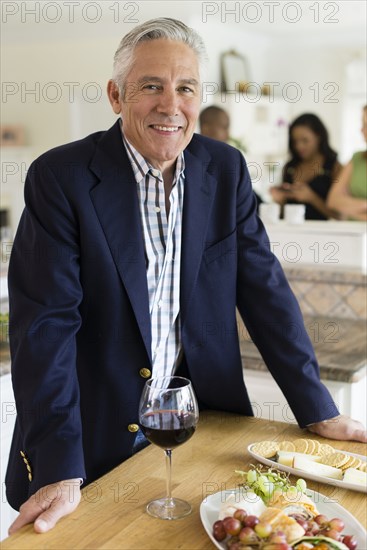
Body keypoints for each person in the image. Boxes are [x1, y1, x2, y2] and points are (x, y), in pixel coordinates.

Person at [6, 18, 366, 536]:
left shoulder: (225, 170)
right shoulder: (60, 178)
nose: (170, 105)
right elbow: (46, 327)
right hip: (89, 439)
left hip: (194, 425)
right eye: (150, 86)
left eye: (186, 88)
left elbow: (264, 289)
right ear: (115, 95)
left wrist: (317, 408)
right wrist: (60, 465)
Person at [270, 113, 342, 220]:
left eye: (305, 140)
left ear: (319, 137)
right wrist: (279, 201)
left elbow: (340, 215)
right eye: (295, 141)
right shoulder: (290, 167)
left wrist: (311, 197)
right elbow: (282, 216)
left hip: (323, 234)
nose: (299, 146)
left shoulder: (334, 168)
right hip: (291, 233)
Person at [199, 105, 262, 209]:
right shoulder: (193, 163)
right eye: (224, 127)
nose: (228, 134)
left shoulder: (228, 160)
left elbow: (246, 197)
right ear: (205, 129)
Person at [327, 105, 367, 220]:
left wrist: (351, 208)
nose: (361, 130)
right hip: (353, 233)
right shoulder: (357, 158)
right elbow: (333, 201)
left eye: (365, 125)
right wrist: (365, 205)